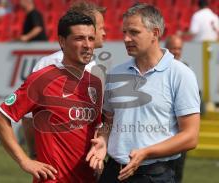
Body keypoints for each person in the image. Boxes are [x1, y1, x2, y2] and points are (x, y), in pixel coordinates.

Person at [86, 3, 201, 183]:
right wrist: (103, 140)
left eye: (134, 32)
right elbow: (109, 121)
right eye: (124, 32)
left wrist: (146, 152)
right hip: (112, 171)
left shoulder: (180, 74)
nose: (126, 38)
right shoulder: (115, 73)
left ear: (155, 33)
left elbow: (190, 137)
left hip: (154, 175)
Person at [0, 11, 103, 182]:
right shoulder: (42, 79)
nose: (87, 45)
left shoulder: (95, 83)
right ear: (62, 41)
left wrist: (100, 151)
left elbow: (96, 131)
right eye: (79, 38)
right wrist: (25, 161)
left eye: (91, 38)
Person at [21, 1, 106, 159]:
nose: (104, 32)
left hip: (86, 164)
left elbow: (96, 123)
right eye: (101, 27)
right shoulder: (48, 64)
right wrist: (33, 155)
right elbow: (28, 117)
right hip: (54, 167)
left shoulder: (95, 69)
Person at [165, 35, 186, 183]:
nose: (176, 51)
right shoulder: (157, 70)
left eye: (179, 48)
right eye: (173, 48)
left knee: (178, 172)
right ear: (166, 49)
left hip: (181, 132)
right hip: (164, 132)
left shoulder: (186, 70)